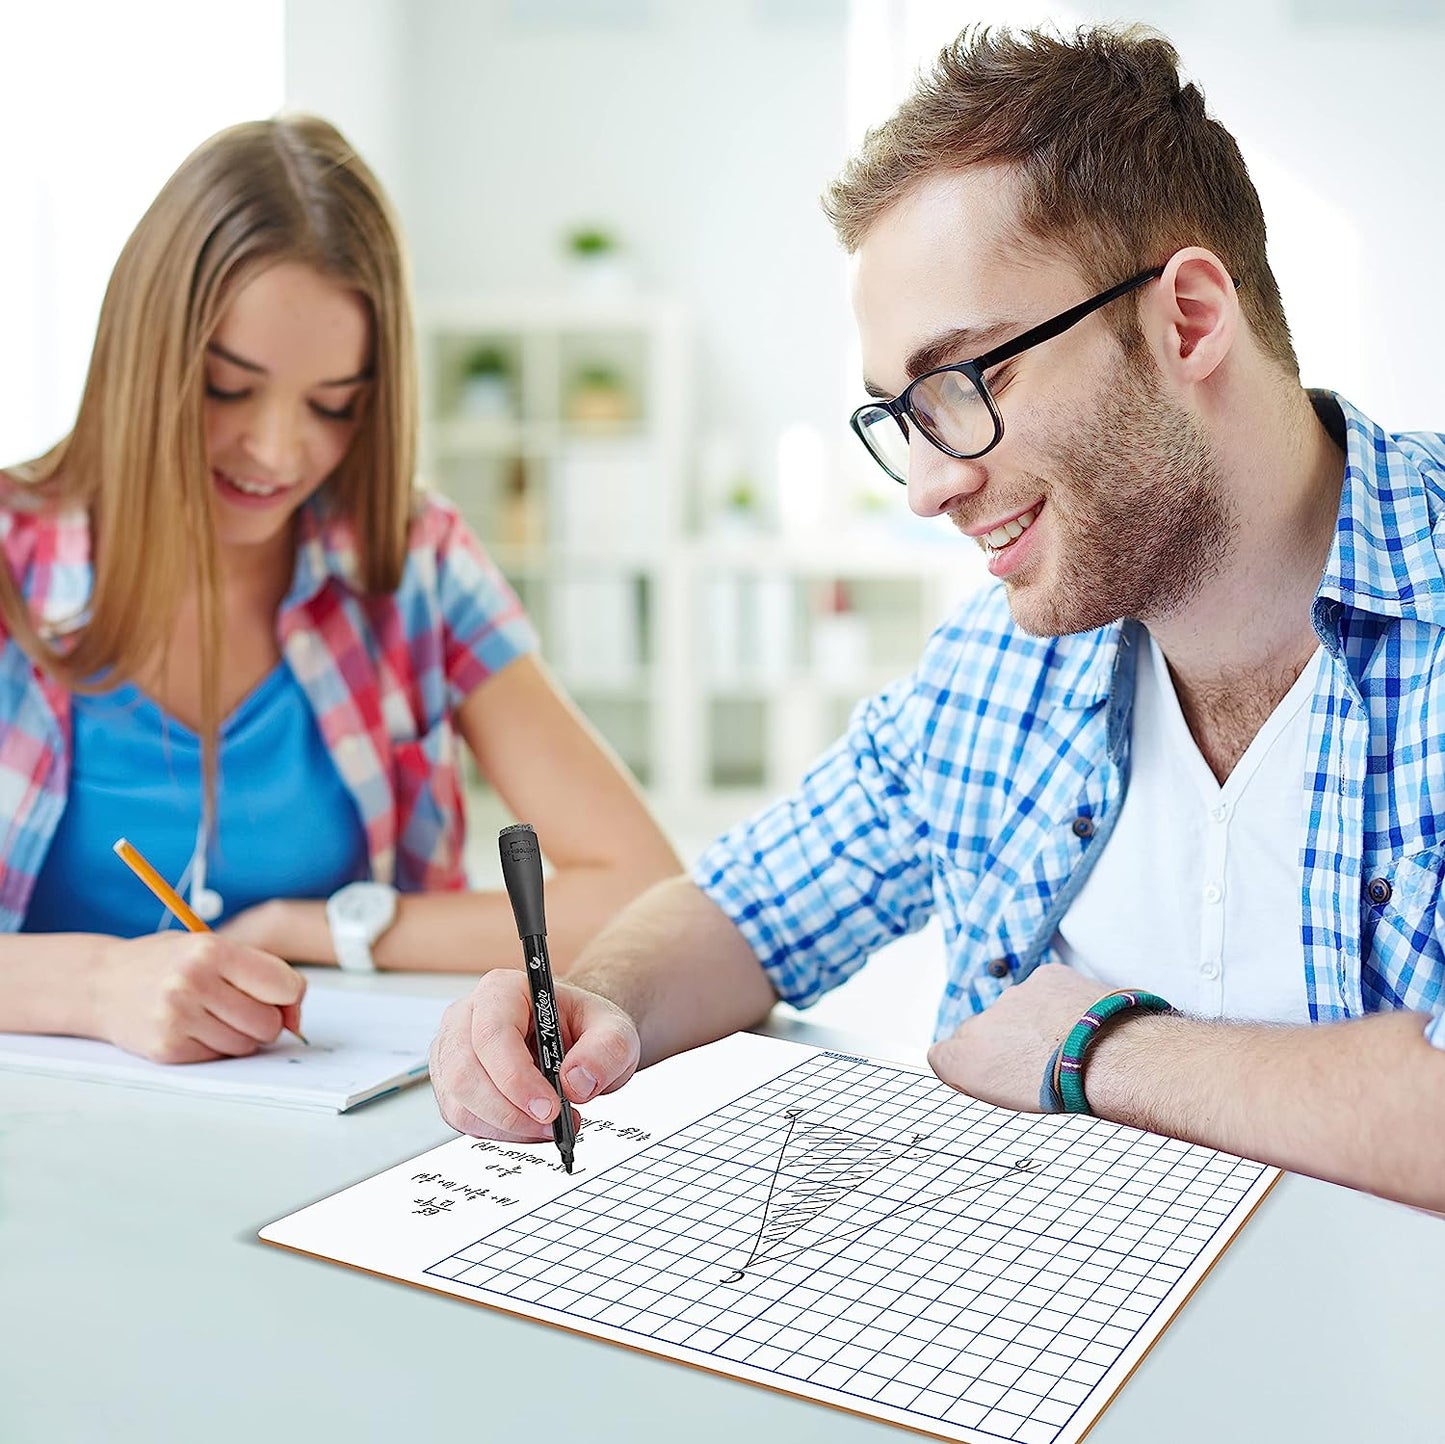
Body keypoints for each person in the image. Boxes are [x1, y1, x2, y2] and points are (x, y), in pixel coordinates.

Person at [430, 24, 1445, 1210]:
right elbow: (741, 912)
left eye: (967, 380)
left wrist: (1099, 1053)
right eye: (897, 417)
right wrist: (594, 1006)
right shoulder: (993, 666)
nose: (926, 485)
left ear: (1186, 319)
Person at [0, 116, 679, 1065]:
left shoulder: (414, 563)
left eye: (334, 407)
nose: (280, 453)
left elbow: (642, 887)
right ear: (142, 355)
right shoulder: (11, 559)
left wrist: (319, 927)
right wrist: (97, 985)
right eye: (229, 390)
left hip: (325, 1120)